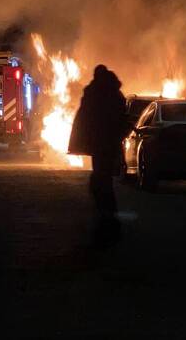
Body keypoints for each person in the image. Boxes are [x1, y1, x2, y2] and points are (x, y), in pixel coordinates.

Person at [68, 64, 128, 245]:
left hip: (99, 144)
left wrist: (82, 141)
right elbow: (121, 120)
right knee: (105, 180)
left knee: (100, 181)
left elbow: (85, 119)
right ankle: (109, 219)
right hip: (110, 145)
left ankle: (107, 220)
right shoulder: (116, 94)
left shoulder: (94, 93)